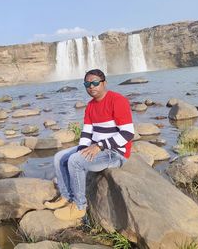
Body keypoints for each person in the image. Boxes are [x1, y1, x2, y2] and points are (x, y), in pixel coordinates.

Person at [44, 69, 134, 221]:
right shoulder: (90, 106)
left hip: (115, 153)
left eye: (95, 83)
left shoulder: (117, 100)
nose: (91, 86)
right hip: (97, 148)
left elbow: (128, 133)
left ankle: (79, 206)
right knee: (60, 157)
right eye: (87, 84)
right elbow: (86, 134)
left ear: (104, 83)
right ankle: (67, 196)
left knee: (75, 161)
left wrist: (99, 146)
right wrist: (81, 152)